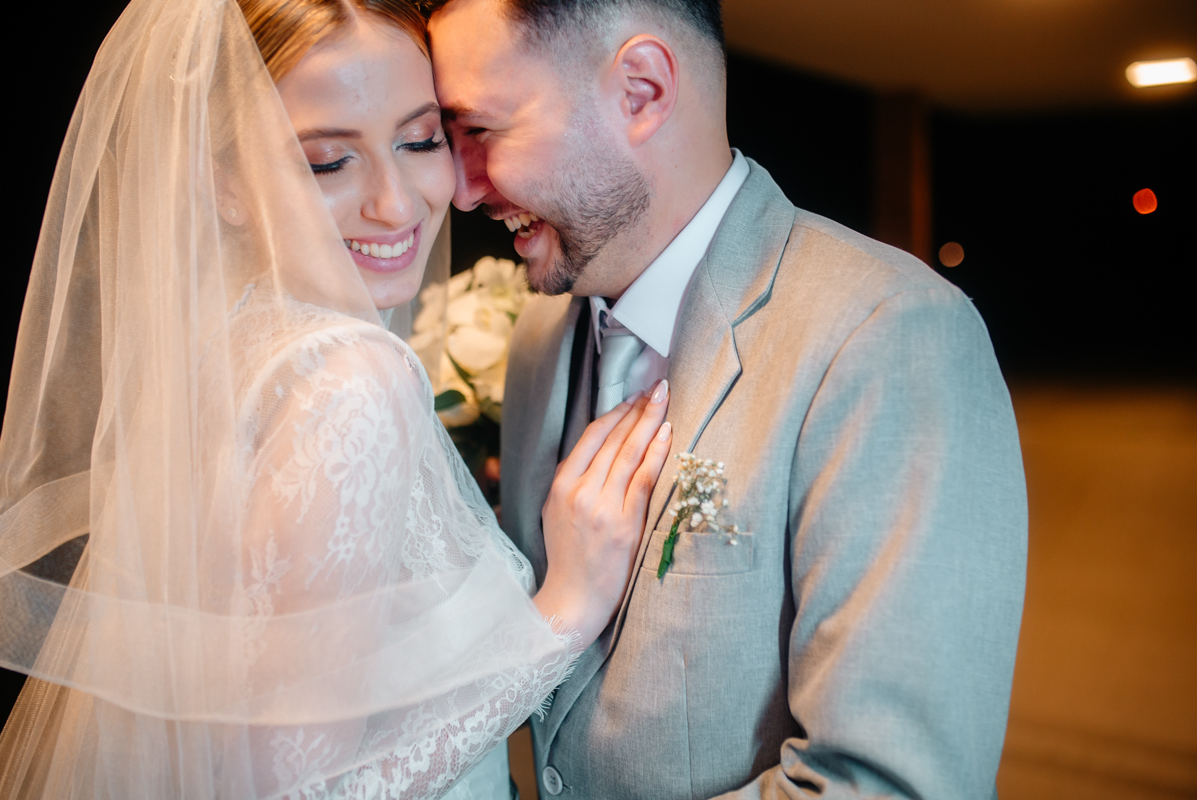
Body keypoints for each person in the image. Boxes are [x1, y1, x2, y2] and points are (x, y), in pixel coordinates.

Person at [0, 0, 672, 797]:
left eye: (420, 140)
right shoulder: (353, 380)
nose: (396, 202)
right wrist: (566, 611)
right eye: (327, 162)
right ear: (224, 185)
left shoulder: (226, 349)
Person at [426, 0, 1029, 797]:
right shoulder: (540, 336)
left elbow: (889, 785)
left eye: (480, 130)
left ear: (641, 91)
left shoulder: (889, 337)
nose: (462, 188)